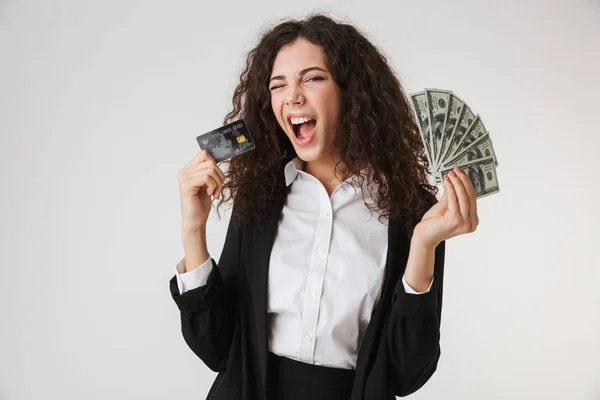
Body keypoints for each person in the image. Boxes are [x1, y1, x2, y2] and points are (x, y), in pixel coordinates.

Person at [170, 13, 479, 400]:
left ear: (351, 92)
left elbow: (406, 373)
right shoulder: (261, 199)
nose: (293, 96)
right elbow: (217, 350)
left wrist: (423, 247)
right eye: (278, 85)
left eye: (313, 78)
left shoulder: (410, 211)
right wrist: (192, 231)